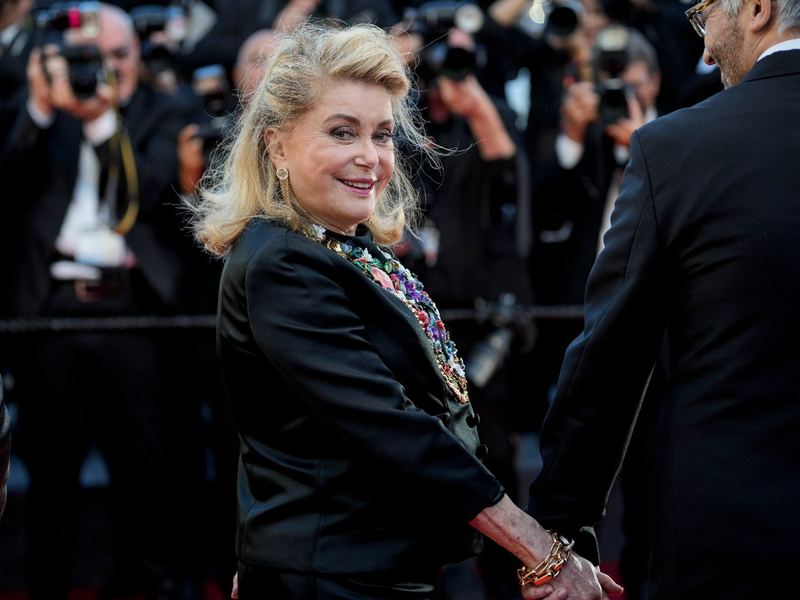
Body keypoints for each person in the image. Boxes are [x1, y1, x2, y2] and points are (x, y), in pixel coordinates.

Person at [194, 22, 622, 600]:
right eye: (342, 133)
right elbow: (390, 426)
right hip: (337, 578)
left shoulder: (337, 240)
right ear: (275, 145)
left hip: (359, 566)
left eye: (383, 134)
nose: (369, 157)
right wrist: (540, 549)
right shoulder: (281, 262)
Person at [524, 0, 800, 598]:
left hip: (732, 544)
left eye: (705, 16)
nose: (703, 50)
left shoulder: (679, 148)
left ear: (757, 8)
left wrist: (557, 533)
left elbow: (608, 360)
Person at [2, 4, 194, 598]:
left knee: (147, 468)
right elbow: (6, 185)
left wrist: (103, 122)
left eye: (118, 55)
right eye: (92, 58)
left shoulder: (165, 112)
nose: (106, 70)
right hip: (50, 313)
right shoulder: (41, 113)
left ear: (138, 52)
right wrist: (40, 105)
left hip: (134, 311)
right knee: (51, 473)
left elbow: (145, 198)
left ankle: (157, 585)